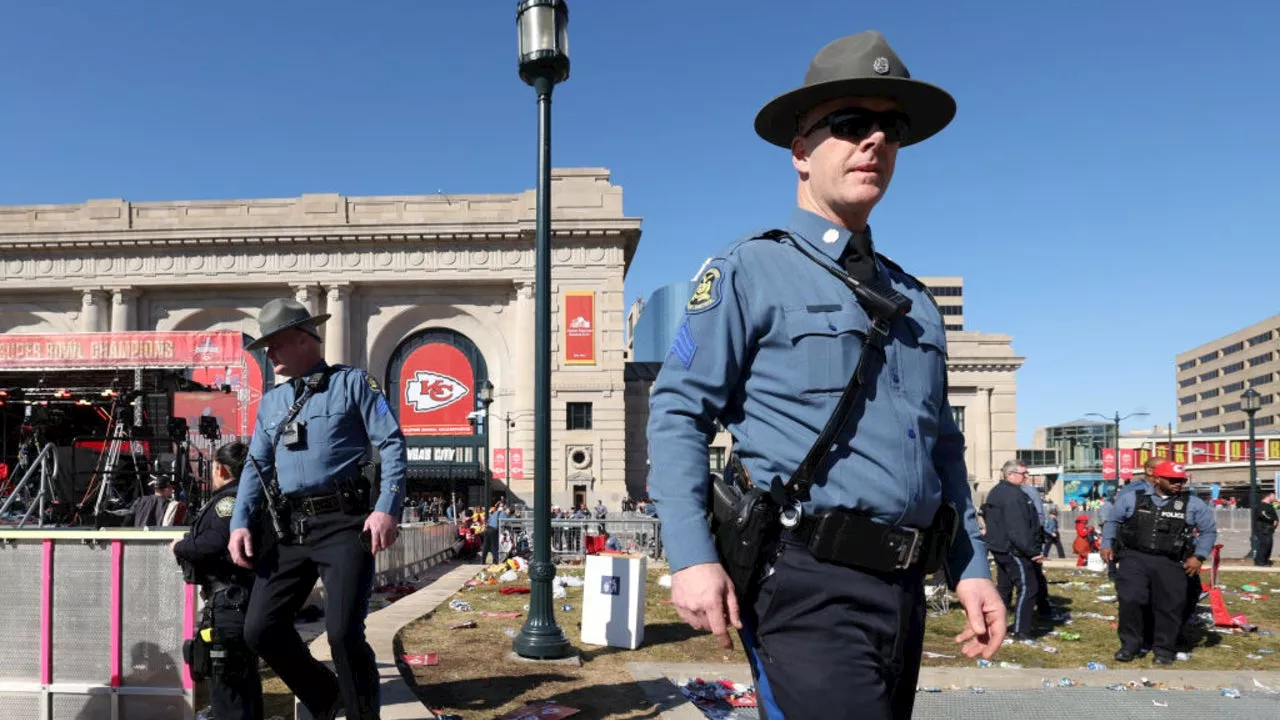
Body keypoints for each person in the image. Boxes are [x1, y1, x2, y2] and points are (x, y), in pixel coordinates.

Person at [645, 30, 1004, 720]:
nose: (874, 141)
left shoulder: (917, 302)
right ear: (801, 152)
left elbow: (943, 452)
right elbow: (678, 410)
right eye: (849, 125)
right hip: (804, 578)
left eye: (889, 128)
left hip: (902, 588)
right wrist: (690, 556)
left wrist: (971, 569)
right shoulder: (747, 271)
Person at [227, 298, 407, 720]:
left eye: (275, 344)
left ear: (305, 339)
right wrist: (240, 522)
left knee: (343, 633)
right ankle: (327, 698)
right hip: (291, 528)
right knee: (260, 629)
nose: (268, 355)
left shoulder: (354, 384)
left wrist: (387, 508)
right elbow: (256, 467)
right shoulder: (271, 403)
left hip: (346, 523)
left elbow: (392, 444)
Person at [172, 441, 263, 720]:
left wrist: (181, 545)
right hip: (236, 601)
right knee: (241, 688)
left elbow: (216, 541)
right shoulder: (246, 497)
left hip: (230, 603)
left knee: (229, 691)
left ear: (221, 469)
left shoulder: (228, 501)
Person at [1101, 460, 1216, 665]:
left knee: (1169, 606)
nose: (1177, 484)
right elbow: (1113, 521)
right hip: (1135, 557)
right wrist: (1106, 544)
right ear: (1156, 478)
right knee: (1131, 599)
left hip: (1171, 561)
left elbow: (1208, 531)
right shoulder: (1132, 498)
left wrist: (1198, 556)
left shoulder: (1193, 503)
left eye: (1180, 480)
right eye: (1172, 480)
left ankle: (1163, 650)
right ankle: (1130, 646)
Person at [982, 459, 1044, 640]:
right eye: (1023, 474)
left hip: (1000, 547)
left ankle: (994, 625)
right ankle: (1020, 630)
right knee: (1028, 587)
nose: (1026, 477)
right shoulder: (1013, 496)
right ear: (1010, 474)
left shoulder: (997, 492)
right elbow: (1018, 528)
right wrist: (1033, 551)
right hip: (1014, 550)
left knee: (1004, 588)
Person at [1254, 492, 1278, 566]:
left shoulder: (1269, 505)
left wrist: (1275, 521)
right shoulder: (1262, 505)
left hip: (1269, 529)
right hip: (1263, 528)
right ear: (1268, 496)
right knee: (1264, 545)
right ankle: (1260, 562)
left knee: (1269, 545)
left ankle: (1265, 560)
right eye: (1273, 496)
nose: (1275, 498)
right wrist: (1272, 520)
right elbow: (1263, 514)